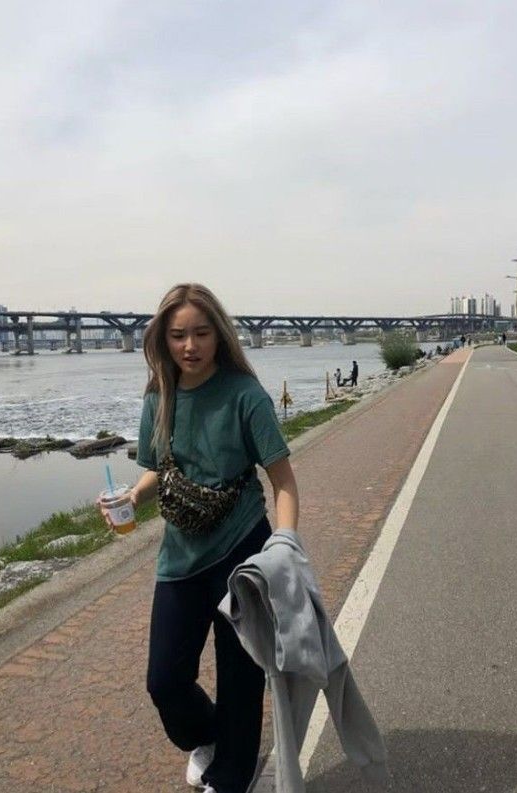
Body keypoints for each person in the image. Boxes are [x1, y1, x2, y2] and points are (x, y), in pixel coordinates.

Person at [100, 283, 299, 793]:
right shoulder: (158, 397)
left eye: (201, 334)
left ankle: (233, 774)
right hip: (181, 555)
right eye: (178, 335)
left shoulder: (245, 396)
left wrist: (286, 544)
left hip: (244, 549)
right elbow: (154, 472)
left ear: (220, 335)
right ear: (162, 340)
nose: (190, 346)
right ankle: (211, 735)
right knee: (165, 681)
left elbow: (283, 483)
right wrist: (130, 500)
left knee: (240, 676)